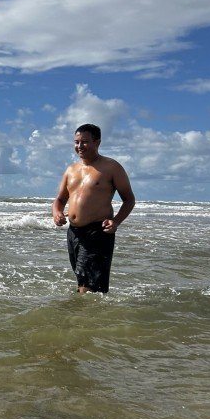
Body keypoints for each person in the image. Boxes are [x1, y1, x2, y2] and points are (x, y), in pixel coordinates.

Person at [52, 124, 135, 293]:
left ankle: (80, 317)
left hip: (97, 232)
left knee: (87, 286)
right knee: (84, 280)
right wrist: (57, 213)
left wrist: (116, 222)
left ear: (97, 142)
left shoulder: (111, 167)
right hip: (74, 233)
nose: (79, 146)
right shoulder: (71, 170)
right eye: (76, 142)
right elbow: (60, 199)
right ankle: (93, 317)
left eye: (84, 142)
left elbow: (129, 199)